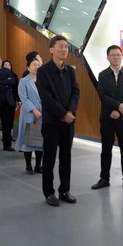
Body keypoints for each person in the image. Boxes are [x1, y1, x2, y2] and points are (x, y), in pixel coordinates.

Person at [36, 35, 80, 207]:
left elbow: (76, 92)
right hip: (51, 122)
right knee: (49, 158)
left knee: (66, 157)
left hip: (68, 122)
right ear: (51, 49)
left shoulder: (70, 70)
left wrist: (71, 111)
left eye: (66, 47)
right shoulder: (43, 71)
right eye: (61, 46)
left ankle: (64, 190)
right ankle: (49, 192)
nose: (64, 49)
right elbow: (46, 97)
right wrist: (63, 113)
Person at [91, 45, 123, 191]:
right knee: (106, 149)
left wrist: (120, 110)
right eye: (113, 55)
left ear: (122, 56)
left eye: (118, 54)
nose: (116, 57)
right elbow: (102, 96)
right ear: (107, 57)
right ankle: (104, 178)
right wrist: (117, 107)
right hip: (107, 117)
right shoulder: (102, 75)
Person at [14, 58, 44, 174]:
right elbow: (23, 97)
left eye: (38, 65)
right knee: (28, 139)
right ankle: (28, 166)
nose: (36, 67)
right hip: (29, 113)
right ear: (28, 67)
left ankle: (38, 165)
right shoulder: (24, 81)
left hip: (42, 114)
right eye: (34, 65)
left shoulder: (43, 80)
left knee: (40, 140)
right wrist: (34, 109)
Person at [0, 53, 16, 152]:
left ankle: (7, 144)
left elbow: (12, 82)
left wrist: (0, 82)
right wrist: (6, 83)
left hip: (7, 101)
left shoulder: (7, 71)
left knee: (7, 125)